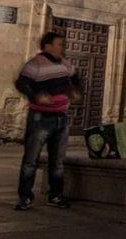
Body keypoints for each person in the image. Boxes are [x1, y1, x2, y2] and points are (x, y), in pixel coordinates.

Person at [14, 30, 81, 210]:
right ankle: (25, 197)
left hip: (61, 119)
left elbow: (76, 79)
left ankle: (56, 196)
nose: (63, 47)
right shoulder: (36, 63)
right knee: (31, 161)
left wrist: (75, 91)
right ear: (48, 46)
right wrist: (36, 95)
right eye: (60, 44)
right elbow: (21, 83)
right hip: (40, 119)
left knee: (57, 162)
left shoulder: (65, 64)